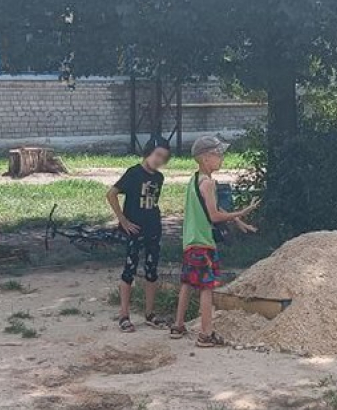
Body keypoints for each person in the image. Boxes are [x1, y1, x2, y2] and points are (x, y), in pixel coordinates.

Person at [170, 135, 259, 347]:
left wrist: (239, 222)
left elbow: (214, 209)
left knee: (187, 282)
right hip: (203, 242)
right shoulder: (208, 183)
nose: (221, 159)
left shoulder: (195, 179)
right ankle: (205, 334)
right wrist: (243, 211)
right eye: (218, 155)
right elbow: (214, 216)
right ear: (205, 158)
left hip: (190, 240)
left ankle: (178, 326)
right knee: (207, 288)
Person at [106, 136, 171, 333]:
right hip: (135, 229)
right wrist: (123, 220)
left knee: (152, 271)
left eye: (164, 158)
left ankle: (149, 313)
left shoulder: (159, 178)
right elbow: (111, 193)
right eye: (157, 155)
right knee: (130, 269)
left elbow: (153, 202)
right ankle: (124, 315)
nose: (159, 160)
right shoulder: (133, 173)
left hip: (153, 228)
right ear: (148, 152)